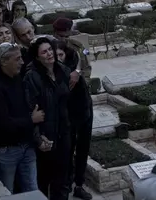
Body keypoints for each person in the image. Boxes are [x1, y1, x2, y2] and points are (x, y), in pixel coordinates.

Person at [0, 43, 43, 193]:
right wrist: (31, 120)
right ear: (4, 61)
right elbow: (2, 123)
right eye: (17, 59)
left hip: (26, 146)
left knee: (32, 190)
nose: (22, 62)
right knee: (6, 192)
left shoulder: (18, 79)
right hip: (6, 151)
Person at [23, 37, 72, 200]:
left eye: (50, 49)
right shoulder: (32, 77)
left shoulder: (63, 70)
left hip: (64, 131)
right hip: (45, 134)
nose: (49, 53)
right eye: (44, 52)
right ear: (37, 57)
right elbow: (31, 109)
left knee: (63, 177)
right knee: (44, 178)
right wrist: (38, 137)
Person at [55, 41, 93, 200]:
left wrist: (78, 71)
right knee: (66, 152)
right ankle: (65, 184)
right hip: (65, 116)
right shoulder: (53, 71)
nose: (58, 59)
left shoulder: (76, 57)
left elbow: (85, 63)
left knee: (82, 149)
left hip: (83, 112)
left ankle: (79, 184)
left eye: (60, 55)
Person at [52, 18, 91, 84]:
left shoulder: (78, 46)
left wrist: (85, 82)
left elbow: (86, 66)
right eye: (60, 36)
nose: (63, 39)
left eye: (66, 36)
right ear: (54, 33)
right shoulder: (49, 48)